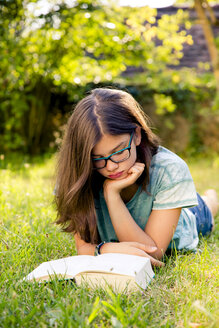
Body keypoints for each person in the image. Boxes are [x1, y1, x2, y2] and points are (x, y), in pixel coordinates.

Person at [55, 88, 218, 267]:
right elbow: (83, 249)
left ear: (137, 135)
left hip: (185, 218)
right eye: (97, 158)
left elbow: (151, 253)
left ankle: (211, 199)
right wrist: (105, 249)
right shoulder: (78, 174)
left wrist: (111, 195)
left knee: (207, 207)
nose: (110, 166)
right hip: (162, 201)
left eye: (118, 151)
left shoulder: (169, 170)